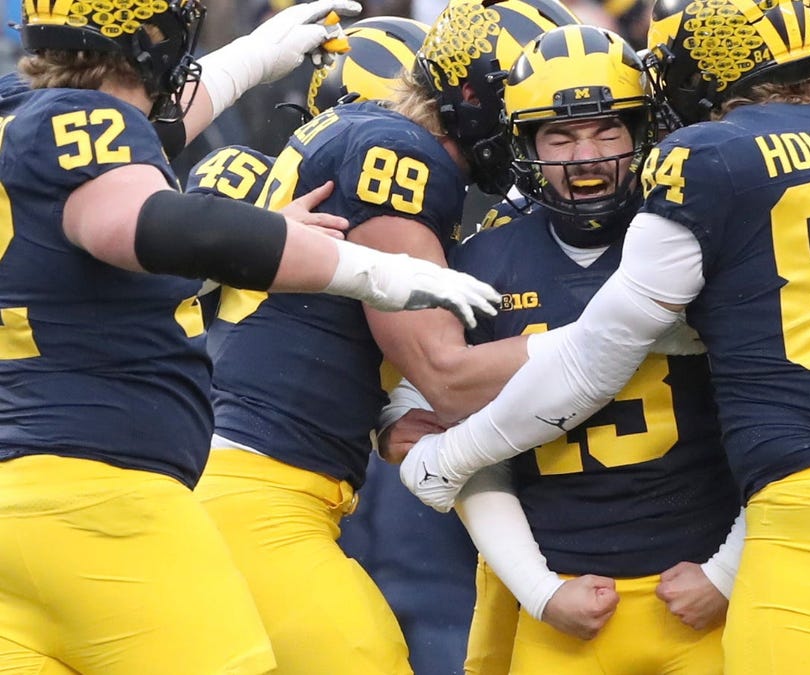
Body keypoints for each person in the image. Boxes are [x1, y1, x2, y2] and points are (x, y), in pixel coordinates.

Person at [397, 0, 810, 673]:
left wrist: (449, 456)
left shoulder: (707, 163)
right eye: (559, 137)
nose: (585, 156)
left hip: (805, 525)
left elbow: (592, 358)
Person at [0, 1, 500, 674]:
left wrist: (256, 57)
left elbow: (141, 153)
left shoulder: (21, 124)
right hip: (97, 492)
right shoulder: (83, 129)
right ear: (156, 35)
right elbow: (147, 225)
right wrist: (370, 270)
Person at [189, 4, 573, 674]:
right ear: (478, 97)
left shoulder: (358, 130)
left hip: (245, 474)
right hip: (259, 490)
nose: (533, 137)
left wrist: (382, 411)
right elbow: (447, 373)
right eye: (529, 112)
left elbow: (326, 329)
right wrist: (623, 333)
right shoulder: (399, 153)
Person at [387, 24, 743, 674]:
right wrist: (539, 588)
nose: (587, 155)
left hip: (699, 594)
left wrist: (728, 569)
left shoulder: (695, 241)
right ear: (524, 142)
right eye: (561, 134)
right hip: (567, 605)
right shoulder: (485, 262)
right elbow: (433, 428)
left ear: (642, 133)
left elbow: (775, 420)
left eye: (608, 129)